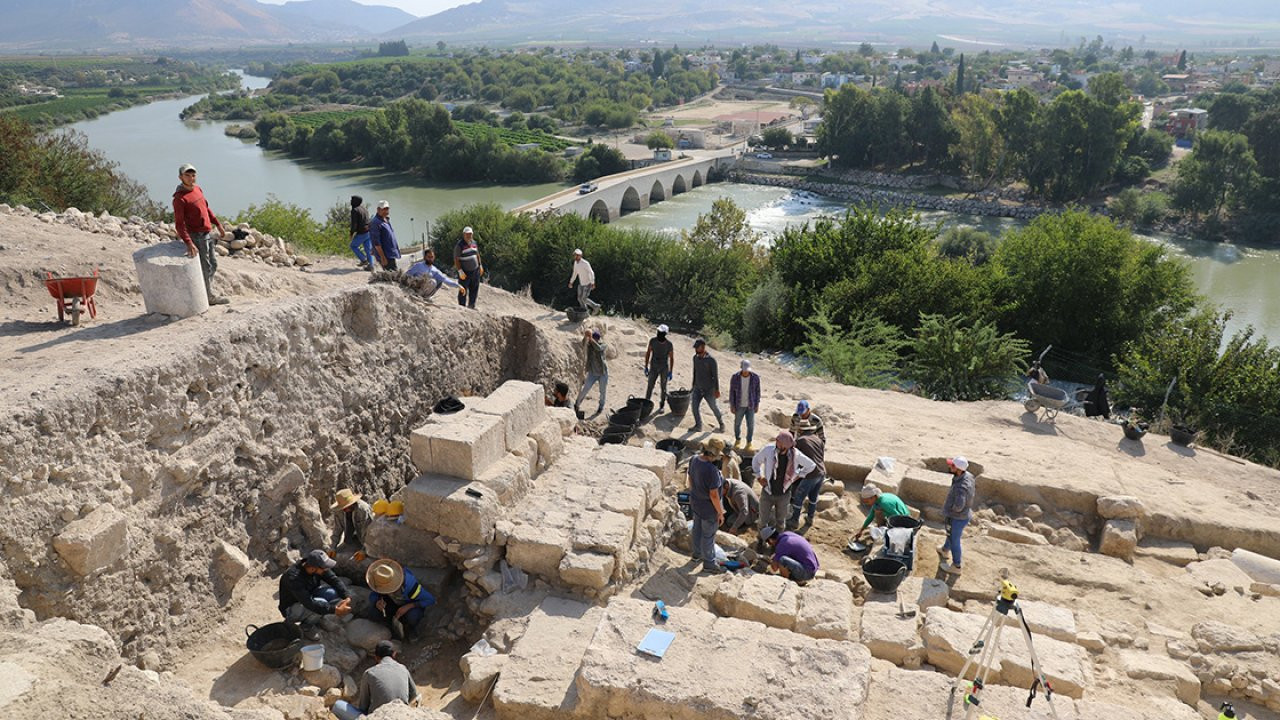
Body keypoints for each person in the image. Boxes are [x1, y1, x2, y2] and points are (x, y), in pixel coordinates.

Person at [172, 163, 229, 305]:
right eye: (187, 175)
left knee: (213, 265)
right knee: (205, 267)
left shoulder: (197, 189)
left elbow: (206, 209)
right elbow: (179, 224)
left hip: (207, 233)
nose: (191, 178)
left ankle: (204, 291)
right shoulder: (180, 199)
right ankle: (208, 297)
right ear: (180, 177)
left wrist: (218, 224)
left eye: (193, 175)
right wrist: (189, 242)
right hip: (196, 236)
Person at [330, 640, 419, 720]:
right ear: (394, 654)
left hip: (378, 716)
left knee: (338, 705)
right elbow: (414, 693)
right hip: (401, 715)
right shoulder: (403, 668)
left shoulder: (369, 673)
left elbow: (363, 707)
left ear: (376, 657)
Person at [751, 430, 817, 537]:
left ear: (785, 446)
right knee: (763, 521)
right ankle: (761, 541)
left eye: (779, 442)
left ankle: (778, 543)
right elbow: (756, 461)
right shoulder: (769, 450)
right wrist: (759, 477)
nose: (777, 443)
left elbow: (811, 465)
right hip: (768, 492)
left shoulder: (795, 455)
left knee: (781, 523)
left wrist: (797, 475)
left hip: (784, 494)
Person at [278, 550, 352, 638]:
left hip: (308, 596)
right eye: (324, 568)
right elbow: (310, 603)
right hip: (291, 608)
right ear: (313, 568)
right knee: (321, 603)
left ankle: (316, 617)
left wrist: (346, 596)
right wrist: (335, 610)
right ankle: (306, 627)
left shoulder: (315, 566)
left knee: (332, 593)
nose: (326, 570)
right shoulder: (294, 578)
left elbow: (334, 579)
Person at [366, 558, 436, 640]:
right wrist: (377, 602)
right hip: (392, 602)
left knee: (413, 616)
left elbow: (431, 600)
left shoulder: (411, 586)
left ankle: (409, 629)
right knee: (373, 611)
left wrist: (409, 606)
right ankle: (389, 626)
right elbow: (373, 595)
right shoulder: (379, 580)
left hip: (408, 604)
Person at [686, 440, 726, 575]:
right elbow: (714, 495)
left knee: (697, 529)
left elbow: (690, 479)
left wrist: (694, 494)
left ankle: (696, 555)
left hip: (696, 502)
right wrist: (720, 513)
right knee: (708, 535)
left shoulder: (694, 459)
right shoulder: (711, 470)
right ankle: (709, 563)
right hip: (709, 508)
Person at [937, 456, 976, 576]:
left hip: (958, 517)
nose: (949, 466)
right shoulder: (967, 475)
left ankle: (956, 566)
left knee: (955, 540)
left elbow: (959, 505)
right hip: (963, 515)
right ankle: (944, 550)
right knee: (950, 533)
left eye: (952, 465)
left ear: (958, 469)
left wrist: (950, 510)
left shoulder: (961, 487)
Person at [788, 422, 826, 529]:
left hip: (811, 473)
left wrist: (795, 474)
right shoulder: (819, 440)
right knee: (813, 497)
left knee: (799, 496)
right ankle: (810, 518)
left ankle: (794, 520)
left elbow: (797, 459)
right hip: (821, 471)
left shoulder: (801, 441)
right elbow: (820, 457)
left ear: (800, 430)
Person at [330, 488, 374, 579]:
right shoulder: (339, 510)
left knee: (366, 561)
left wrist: (364, 550)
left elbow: (369, 532)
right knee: (338, 557)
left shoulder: (363, 509)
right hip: (351, 538)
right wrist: (332, 547)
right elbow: (337, 529)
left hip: (364, 538)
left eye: (347, 507)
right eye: (343, 508)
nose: (345, 509)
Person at [690, 338, 724, 433]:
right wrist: (693, 386)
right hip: (697, 388)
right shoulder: (695, 358)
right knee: (694, 407)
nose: (696, 350)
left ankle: (721, 424)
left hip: (709, 389)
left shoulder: (711, 360)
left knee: (714, 407)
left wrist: (717, 390)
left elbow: (715, 376)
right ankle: (698, 425)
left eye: (698, 348)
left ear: (703, 347)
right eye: (695, 348)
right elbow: (695, 372)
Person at [574, 329, 609, 418]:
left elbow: (598, 348)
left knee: (602, 391)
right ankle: (577, 404)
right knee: (585, 389)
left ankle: (601, 406)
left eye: (594, 339)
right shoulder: (590, 344)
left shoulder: (603, 345)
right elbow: (582, 344)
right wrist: (585, 337)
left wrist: (590, 338)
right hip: (592, 373)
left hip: (602, 373)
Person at [728, 360, 760, 450]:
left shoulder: (755, 377)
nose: (746, 372)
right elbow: (731, 392)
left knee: (750, 425)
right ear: (741, 368)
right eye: (744, 370)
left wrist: (757, 404)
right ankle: (737, 440)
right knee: (737, 423)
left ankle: (749, 442)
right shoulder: (735, 377)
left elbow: (758, 392)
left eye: (747, 370)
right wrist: (732, 405)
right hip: (739, 405)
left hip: (751, 405)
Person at [643, 324, 675, 412]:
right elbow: (648, 353)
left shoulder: (669, 345)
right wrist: (646, 366)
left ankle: (662, 405)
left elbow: (671, 358)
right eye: (658, 331)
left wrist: (670, 371)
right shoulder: (652, 341)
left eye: (661, 332)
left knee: (663, 387)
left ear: (665, 334)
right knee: (650, 386)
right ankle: (646, 403)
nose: (659, 333)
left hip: (664, 367)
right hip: (653, 366)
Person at [453, 226, 483, 309]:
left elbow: (477, 255)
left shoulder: (474, 243)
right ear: (464, 234)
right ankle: (462, 307)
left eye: (470, 234)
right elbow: (456, 259)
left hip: (475, 271)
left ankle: (471, 306)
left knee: (474, 289)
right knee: (463, 289)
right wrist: (460, 271)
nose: (469, 236)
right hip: (465, 272)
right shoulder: (459, 245)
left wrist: (480, 265)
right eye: (467, 234)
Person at [370, 201, 401, 271]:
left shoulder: (386, 220)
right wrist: (382, 257)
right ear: (378, 209)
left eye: (387, 209)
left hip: (390, 254)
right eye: (383, 209)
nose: (386, 211)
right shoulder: (375, 223)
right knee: (392, 276)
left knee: (394, 274)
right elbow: (376, 242)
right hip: (386, 256)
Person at [349, 195, 372, 270]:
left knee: (353, 246)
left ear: (355, 201)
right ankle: (371, 266)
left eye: (352, 200)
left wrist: (351, 233)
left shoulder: (355, 210)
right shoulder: (364, 209)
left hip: (362, 232)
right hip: (369, 231)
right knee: (368, 250)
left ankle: (364, 260)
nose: (350, 201)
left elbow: (354, 224)